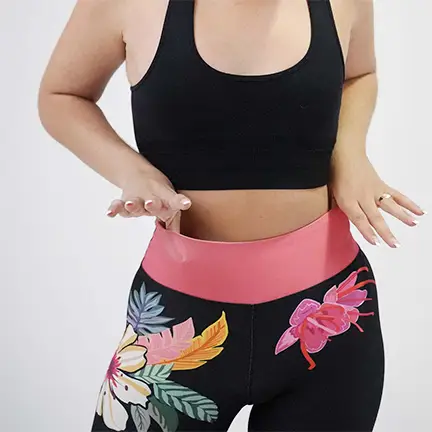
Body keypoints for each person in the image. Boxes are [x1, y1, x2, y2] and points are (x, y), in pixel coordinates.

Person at [38, 1, 426, 431]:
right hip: (178, 319)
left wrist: (351, 157)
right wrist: (133, 172)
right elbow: (63, 95)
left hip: (331, 316)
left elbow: (359, 74)